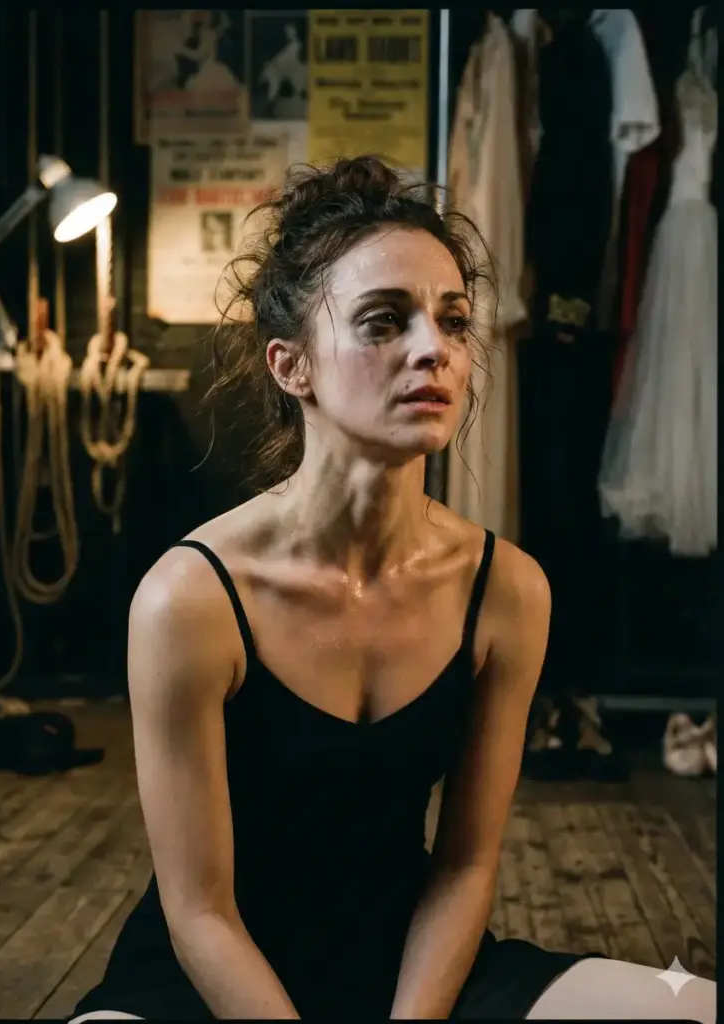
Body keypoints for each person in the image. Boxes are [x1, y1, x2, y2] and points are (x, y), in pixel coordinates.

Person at [69, 157, 715, 1022]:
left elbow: (462, 866)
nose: (432, 350)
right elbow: (200, 912)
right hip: (205, 984)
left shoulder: (505, 589)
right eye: (383, 321)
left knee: (694, 1007)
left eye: (451, 322)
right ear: (291, 366)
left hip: (418, 972)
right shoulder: (189, 598)